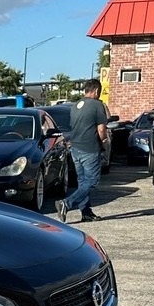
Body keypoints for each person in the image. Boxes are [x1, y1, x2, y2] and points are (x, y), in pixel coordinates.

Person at [56, 79, 108, 223]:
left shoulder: (75, 106)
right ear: (96, 91)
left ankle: (86, 213)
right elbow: (101, 129)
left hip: (75, 148)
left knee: (82, 181)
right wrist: (104, 141)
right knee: (92, 181)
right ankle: (66, 203)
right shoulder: (98, 105)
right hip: (89, 148)